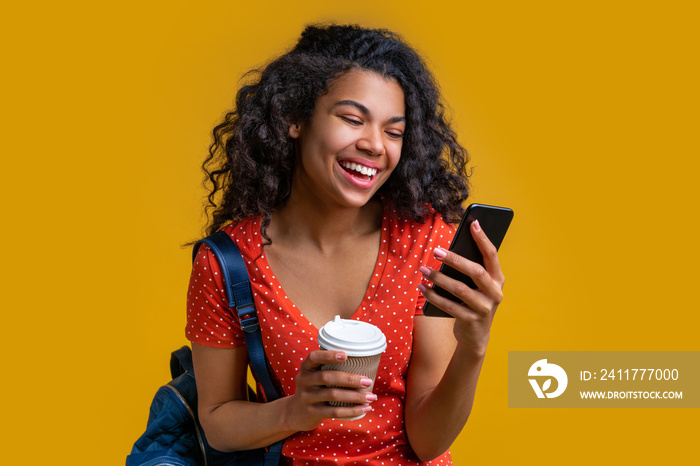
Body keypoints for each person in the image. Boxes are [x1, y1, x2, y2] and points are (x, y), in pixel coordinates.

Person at [186, 24, 505, 465]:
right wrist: (294, 411)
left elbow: (429, 442)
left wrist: (474, 345)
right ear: (294, 119)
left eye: (394, 132)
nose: (374, 145)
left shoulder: (426, 243)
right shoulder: (228, 262)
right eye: (353, 120)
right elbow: (217, 423)